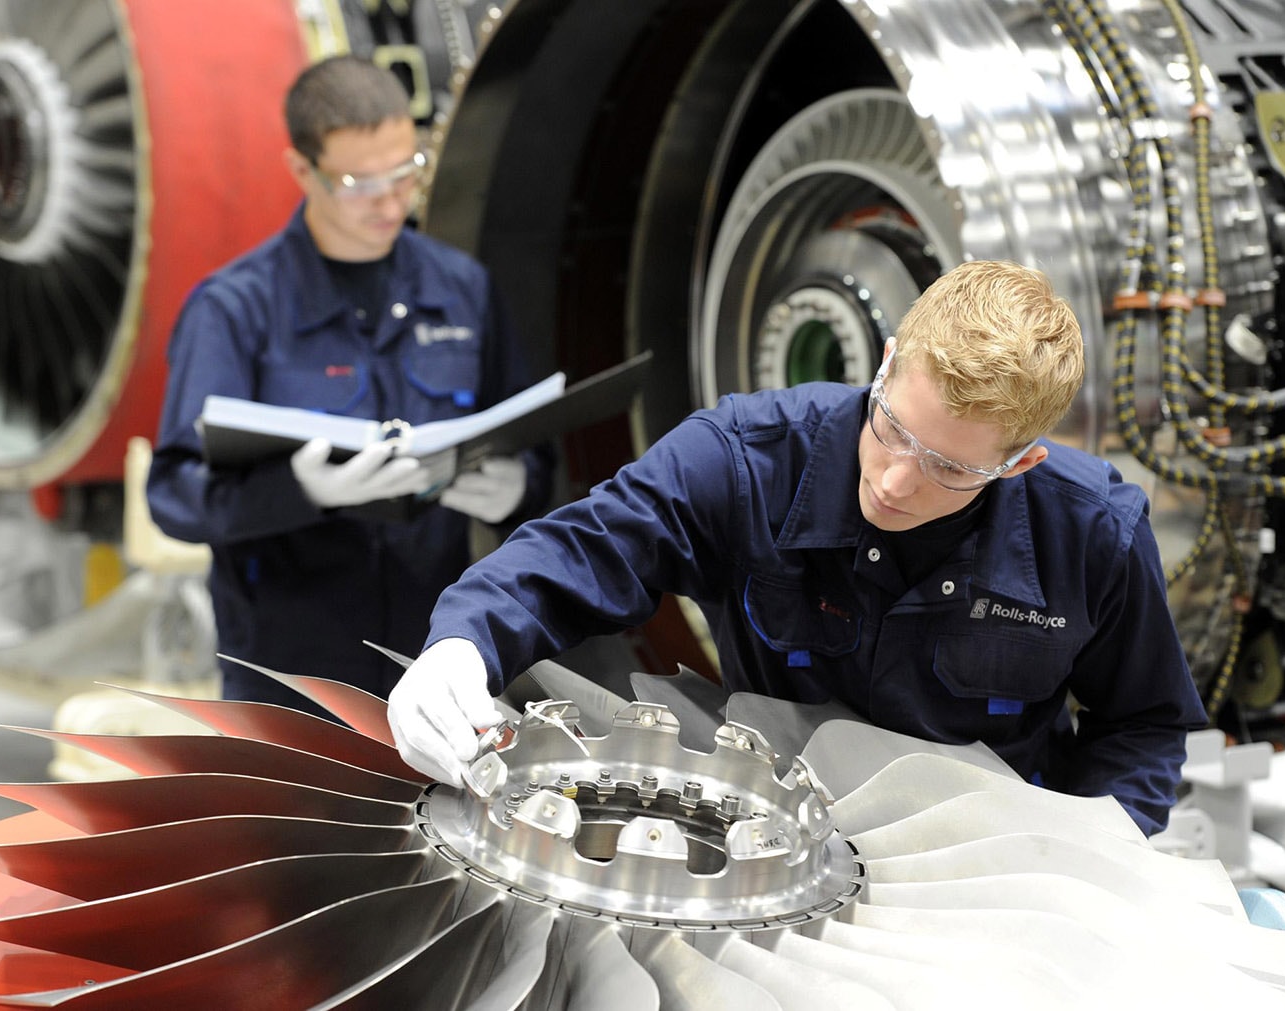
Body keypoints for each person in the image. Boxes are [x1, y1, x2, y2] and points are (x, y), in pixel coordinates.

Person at [387, 259, 1207, 837]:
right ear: (886, 365)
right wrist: (463, 643)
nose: (892, 481)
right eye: (891, 428)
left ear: (1018, 462)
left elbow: (1143, 725)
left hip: (982, 862)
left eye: (949, 468)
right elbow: (588, 546)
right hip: (769, 837)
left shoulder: (1093, 532)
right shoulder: (746, 457)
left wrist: (1087, 858)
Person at [147, 55, 552, 715]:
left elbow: (533, 447)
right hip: (290, 674)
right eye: (361, 184)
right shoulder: (234, 310)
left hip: (437, 654)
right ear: (302, 170)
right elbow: (174, 494)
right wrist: (300, 491)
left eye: (406, 172)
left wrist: (516, 489)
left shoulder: (461, 289)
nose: (392, 203)